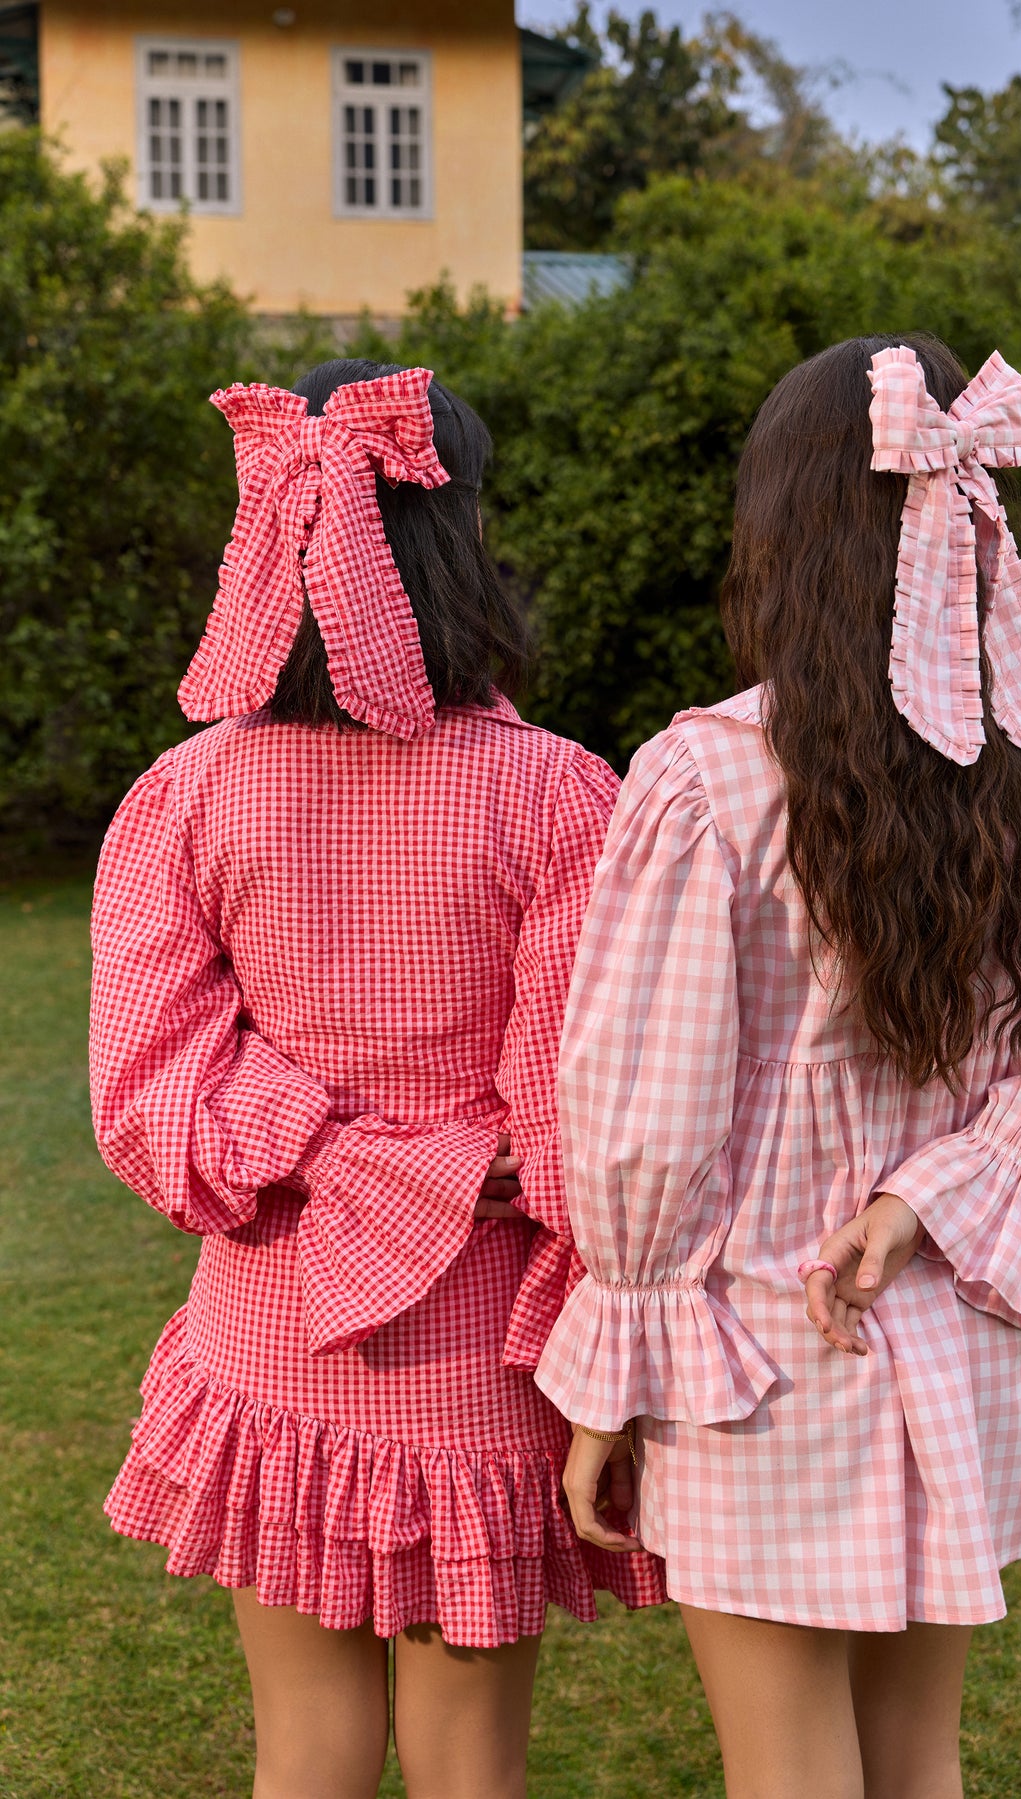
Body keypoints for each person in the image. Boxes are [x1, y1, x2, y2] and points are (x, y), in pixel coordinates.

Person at [537, 336, 1021, 1799]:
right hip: (957, 1322)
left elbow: (647, 1117)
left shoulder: (708, 779)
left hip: (766, 1345)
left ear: (787, 530)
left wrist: (611, 1376)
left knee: (792, 1772)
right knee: (915, 1761)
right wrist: (931, 1195)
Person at [90, 359, 663, 1799]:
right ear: (460, 538)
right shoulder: (560, 797)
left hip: (271, 1342)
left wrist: (327, 1152)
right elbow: (582, 1127)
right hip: (477, 1360)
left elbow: (154, 1103)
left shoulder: (189, 792)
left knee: (306, 1751)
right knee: (474, 1765)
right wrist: (444, 1169)